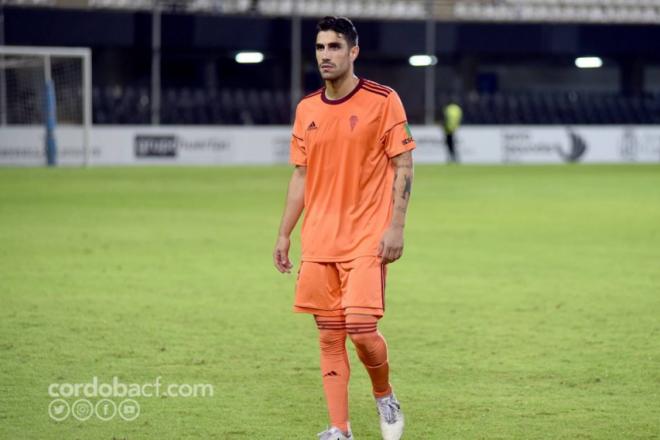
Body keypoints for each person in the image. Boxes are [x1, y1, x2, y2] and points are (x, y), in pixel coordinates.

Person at [272, 16, 415, 440]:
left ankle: (385, 394)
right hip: (319, 240)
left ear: (354, 52)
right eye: (320, 48)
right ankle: (340, 428)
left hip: (367, 236)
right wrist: (284, 233)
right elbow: (300, 176)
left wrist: (397, 227)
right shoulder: (307, 109)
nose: (326, 55)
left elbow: (403, 164)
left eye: (334, 47)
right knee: (329, 335)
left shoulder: (383, 99)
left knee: (361, 328)